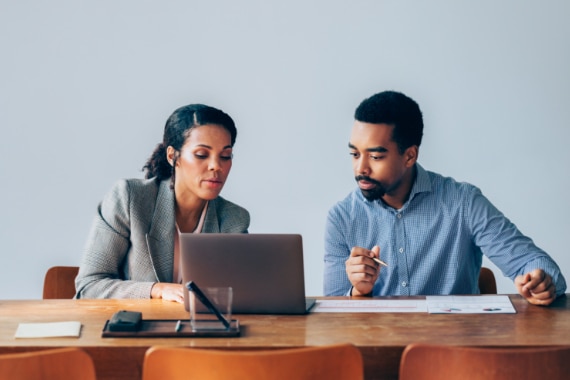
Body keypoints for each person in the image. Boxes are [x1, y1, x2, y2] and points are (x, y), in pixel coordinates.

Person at [323, 90, 566, 305]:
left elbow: (535, 263)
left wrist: (539, 281)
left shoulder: (463, 202)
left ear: (409, 156)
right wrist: (358, 291)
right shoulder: (342, 217)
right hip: (379, 351)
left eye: (375, 157)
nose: (360, 168)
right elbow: (331, 312)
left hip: (455, 351)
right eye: (354, 154)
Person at [75, 104, 250, 303]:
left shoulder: (234, 219)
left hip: (200, 331)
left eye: (225, 156)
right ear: (172, 156)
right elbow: (89, 286)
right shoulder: (130, 198)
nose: (216, 166)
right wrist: (156, 289)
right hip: (134, 328)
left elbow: (237, 295)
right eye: (202, 154)